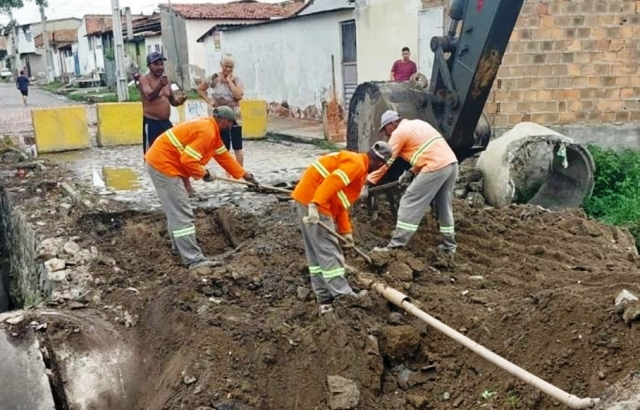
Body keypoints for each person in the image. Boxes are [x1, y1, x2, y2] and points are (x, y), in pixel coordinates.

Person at [145, 106, 260, 270]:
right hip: (164, 166)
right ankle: (193, 260)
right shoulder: (207, 132)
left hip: (165, 163)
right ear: (225, 121)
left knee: (175, 211)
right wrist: (204, 174)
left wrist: (246, 176)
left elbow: (224, 157)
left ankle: (179, 250)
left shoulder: (212, 131)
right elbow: (188, 160)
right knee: (182, 213)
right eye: (231, 124)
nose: (231, 127)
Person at [291, 141, 393, 315]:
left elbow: (340, 203)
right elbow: (332, 181)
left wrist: (346, 232)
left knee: (316, 252)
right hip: (316, 202)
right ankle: (344, 296)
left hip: (306, 198)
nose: (378, 170)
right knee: (329, 251)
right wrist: (315, 204)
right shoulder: (357, 165)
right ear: (377, 161)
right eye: (380, 166)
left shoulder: (357, 167)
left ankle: (324, 298)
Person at [368, 110, 459, 254]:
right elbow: (428, 151)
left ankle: (395, 245)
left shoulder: (398, 133)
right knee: (444, 206)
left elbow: (386, 161)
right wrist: (411, 171)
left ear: (392, 124)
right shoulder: (418, 123)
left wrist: (369, 181)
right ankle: (449, 246)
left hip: (435, 167)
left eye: (385, 128)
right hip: (451, 164)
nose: (386, 133)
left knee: (409, 200)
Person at [138, 52, 197, 196]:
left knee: (178, 152)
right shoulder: (144, 80)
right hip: (151, 123)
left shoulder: (167, 81)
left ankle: (186, 186)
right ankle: (161, 186)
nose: (159, 67)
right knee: (152, 156)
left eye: (161, 64)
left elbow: (173, 101)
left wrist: (180, 100)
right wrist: (160, 86)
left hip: (166, 123)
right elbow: (149, 96)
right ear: (149, 66)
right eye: (156, 64)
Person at [197, 54, 245, 167]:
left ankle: (240, 170)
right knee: (224, 146)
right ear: (221, 65)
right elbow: (200, 89)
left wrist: (229, 81)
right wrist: (209, 101)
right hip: (220, 118)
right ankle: (229, 170)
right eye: (226, 66)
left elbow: (238, 96)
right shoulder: (214, 78)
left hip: (234, 117)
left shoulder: (236, 79)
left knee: (238, 146)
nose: (228, 69)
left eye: (231, 67)